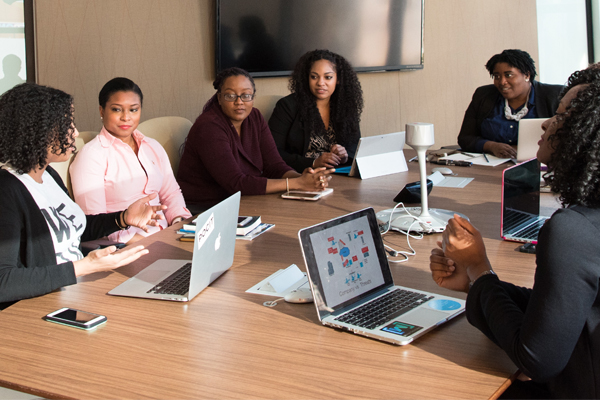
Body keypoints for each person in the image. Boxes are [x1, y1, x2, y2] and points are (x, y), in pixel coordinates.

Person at [430, 68, 600, 399]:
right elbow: (563, 309)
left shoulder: (573, 230)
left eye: (563, 116)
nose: (548, 123)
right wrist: (476, 282)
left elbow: (537, 360)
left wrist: (479, 267)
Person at [0, 83, 166, 310]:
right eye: (67, 124)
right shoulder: (7, 190)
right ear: (39, 131)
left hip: (77, 288)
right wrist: (84, 266)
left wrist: (123, 218)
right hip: (43, 305)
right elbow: (4, 282)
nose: (75, 133)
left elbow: (71, 229)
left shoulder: (47, 174)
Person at [177, 67, 333, 211]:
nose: (239, 102)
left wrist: (303, 178)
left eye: (246, 95)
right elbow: (236, 184)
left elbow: (274, 165)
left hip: (244, 200)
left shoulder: (255, 117)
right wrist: (296, 184)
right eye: (230, 95)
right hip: (206, 208)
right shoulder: (209, 127)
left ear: (252, 97)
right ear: (219, 98)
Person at [70, 77, 191, 244]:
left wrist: (181, 225)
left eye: (133, 110)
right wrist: (153, 244)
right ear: (101, 111)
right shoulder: (91, 156)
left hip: (170, 236)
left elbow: (171, 194)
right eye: (117, 110)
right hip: (129, 246)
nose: (126, 117)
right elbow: (95, 222)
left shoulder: (152, 146)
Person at [268, 49, 363, 172]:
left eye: (328, 77)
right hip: (300, 176)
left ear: (338, 79)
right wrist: (313, 162)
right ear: (306, 78)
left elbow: (355, 147)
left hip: (338, 175)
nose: (320, 83)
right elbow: (272, 152)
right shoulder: (287, 106)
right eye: (314, 77)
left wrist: (345, 156)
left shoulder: (346, 106)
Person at [457, 49, 564, 158]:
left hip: (539, 164)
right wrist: (491, 146)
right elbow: (465, 138)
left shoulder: (555, 96)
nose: (502, 82)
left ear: (527, 75)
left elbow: (567, 139)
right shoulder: (483, 95)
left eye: (508, 75)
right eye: (497, 76)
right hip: (492, 165)